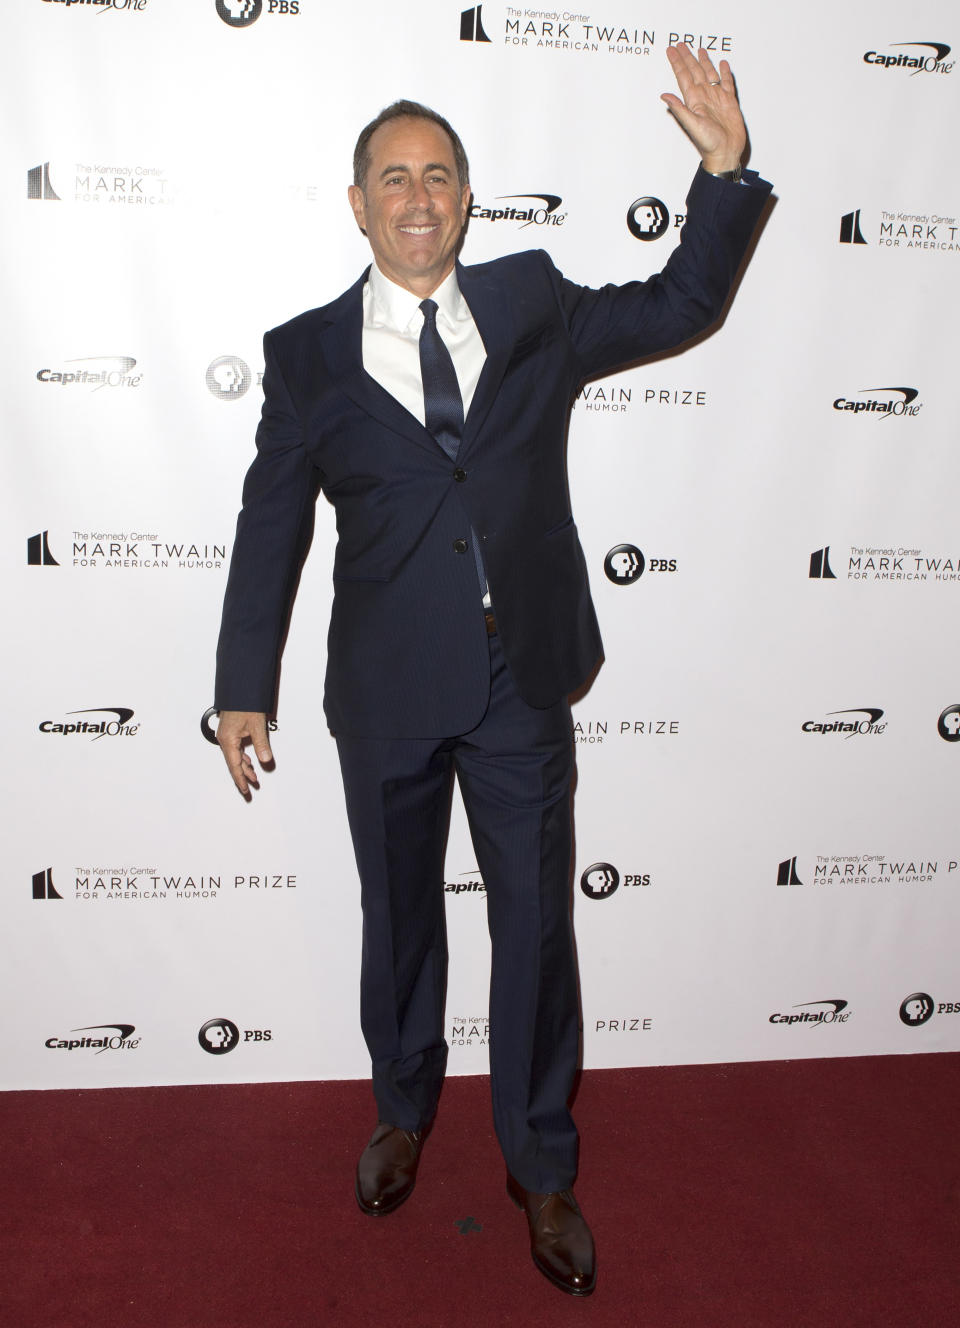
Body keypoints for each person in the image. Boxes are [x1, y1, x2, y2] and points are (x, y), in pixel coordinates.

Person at [215, 43, 771, 1297]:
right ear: (358, 203)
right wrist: (241, 680)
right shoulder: (306, 356)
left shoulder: (534, 306)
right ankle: (404, 1107)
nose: (420, 196)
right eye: (394, 176)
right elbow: (271, 527)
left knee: (534, 930)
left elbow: (680, 304)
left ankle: (542, 1163)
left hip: (523, 676)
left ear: (468, 200)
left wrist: (725, 175)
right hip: (385, 692)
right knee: (401, 920)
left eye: (442, 175)